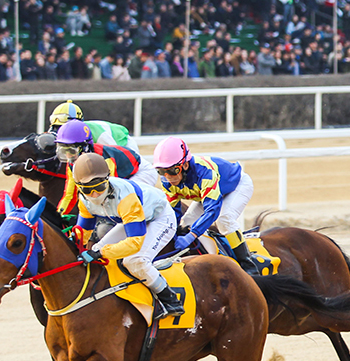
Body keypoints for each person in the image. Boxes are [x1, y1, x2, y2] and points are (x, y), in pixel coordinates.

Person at [70, 152, 184, 318]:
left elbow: (134, 243)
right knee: (95, 247)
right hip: (132, 219)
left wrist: (101, 253)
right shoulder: (83, 200)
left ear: (107, 180)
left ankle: (170, 300)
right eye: (88, 189)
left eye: (99, 187)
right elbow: (83, 232)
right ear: (79, 187)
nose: (95, 194)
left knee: (134, 261)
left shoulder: (125, 197)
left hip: (160, 218)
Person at [154, 136, 264, 275]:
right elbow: (174, 212)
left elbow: (212, 211)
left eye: (173, 170)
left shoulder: (205, 172)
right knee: (186, 223)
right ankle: (211, 257)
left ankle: (248, 266)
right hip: (207, 193)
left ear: (185, 165)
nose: (168, 176)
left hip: (236, 186)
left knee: (224, 220)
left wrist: (192, 235)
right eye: (161, 171)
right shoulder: (167, 182)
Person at [54, 119, 159, 216]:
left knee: (122, 201)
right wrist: (58, 216)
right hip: (124, 177)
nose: (68, 156)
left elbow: (110, 191)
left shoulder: (104, 159)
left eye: (71, 151)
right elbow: (69, 195)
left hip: (141, 172)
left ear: (84, 147)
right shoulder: (72, 162)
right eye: (63, 151)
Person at [48, 100, 140, 152]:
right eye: (57, 127)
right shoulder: (52, 131)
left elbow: (115, 153)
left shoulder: (97, 133)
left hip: (124, 145)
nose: (60, 131)